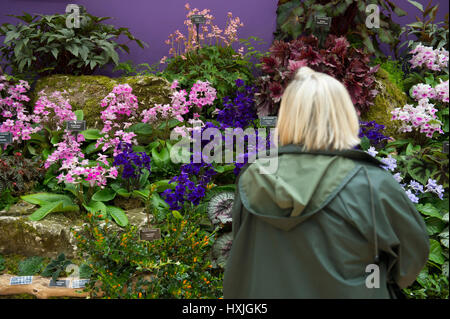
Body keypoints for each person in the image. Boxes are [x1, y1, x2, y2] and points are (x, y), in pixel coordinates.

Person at [223, 66, 429, 299]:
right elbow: (411, 257)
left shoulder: (254, 178)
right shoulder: (370, 182)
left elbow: (244, 256)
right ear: (344, 115)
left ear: (286, 117)